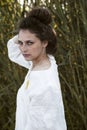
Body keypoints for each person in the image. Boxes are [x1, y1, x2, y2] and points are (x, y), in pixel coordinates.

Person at [7, 7, 67, 130]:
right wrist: (32, 27)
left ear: (45, 42)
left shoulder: (45, 85)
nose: (23, 49)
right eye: (21, 43)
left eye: (29, 43)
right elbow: (13, 50)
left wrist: (39, 29)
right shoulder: (42, 61)